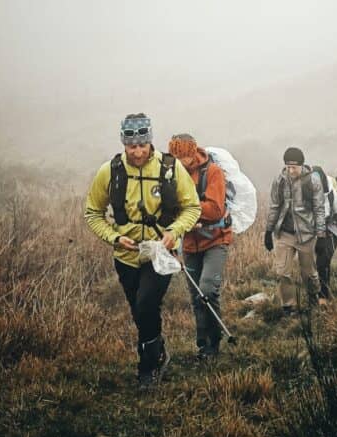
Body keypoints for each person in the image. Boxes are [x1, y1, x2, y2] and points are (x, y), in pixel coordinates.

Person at [85, 113, 201, 388]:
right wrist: (114, 237)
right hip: (125, 254)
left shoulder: (170, 168)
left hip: (159, 252)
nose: (137, 151)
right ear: (124, 144)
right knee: (139, 311)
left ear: (150, 141)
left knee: (146, 302)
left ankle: (147, 367)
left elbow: (192, 207)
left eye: (142, 145)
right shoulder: (109, 171)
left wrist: (174, 233)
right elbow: (93, 213)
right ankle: (157, 349)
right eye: (131, 146)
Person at [168, 133, 232, 359]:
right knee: (196, 295)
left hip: (215, 239)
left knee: (207, 289)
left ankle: (214, 341)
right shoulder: (172, 173)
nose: (181, 162)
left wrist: (188, 210)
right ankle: (203, 343)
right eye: (176, 157)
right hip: (189, 244)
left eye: (184, 157)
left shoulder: (212, 172)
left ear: (193, 152)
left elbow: (215, 209)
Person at [264, 147, 326, 314]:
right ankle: (288, 306)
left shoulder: (313, 180)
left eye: (294, 167)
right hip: (284, 233)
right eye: (288, 166)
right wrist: (268, 231)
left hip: (306, 234)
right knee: (282, 271)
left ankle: (313, 298)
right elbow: (275, 206)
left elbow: (319, 209)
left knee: (309, 274)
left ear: (301, 165)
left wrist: (321, 236)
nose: (290, 170)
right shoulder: (280, 180)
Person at [313, 167, 337, 302]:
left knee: (324, 259)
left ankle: (323, 296)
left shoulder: (330, 192)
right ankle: (315, 291)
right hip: (313, 230)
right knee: (317, 262)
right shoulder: (304, 192)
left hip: (331, 228)